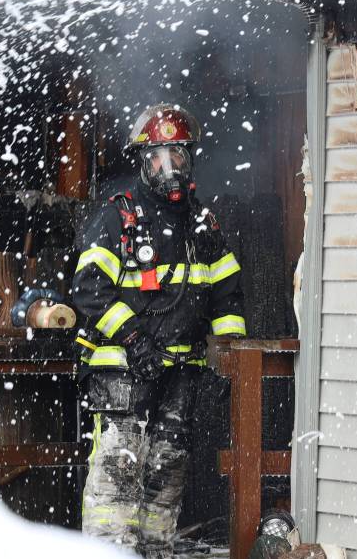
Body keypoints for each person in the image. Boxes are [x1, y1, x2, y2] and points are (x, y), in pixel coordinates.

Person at [71, 103, 246, 558]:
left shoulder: (203, 227)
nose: (169, 169)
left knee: (164, 486)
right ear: (143, 162)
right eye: (158, 158)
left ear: (190, 160)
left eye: (178, 158)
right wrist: (133, 340)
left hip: (179, 375)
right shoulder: (118, 220)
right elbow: (89, 292)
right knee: (117, 481)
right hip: (122, 374)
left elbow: (228, 296)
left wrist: (227, 360)